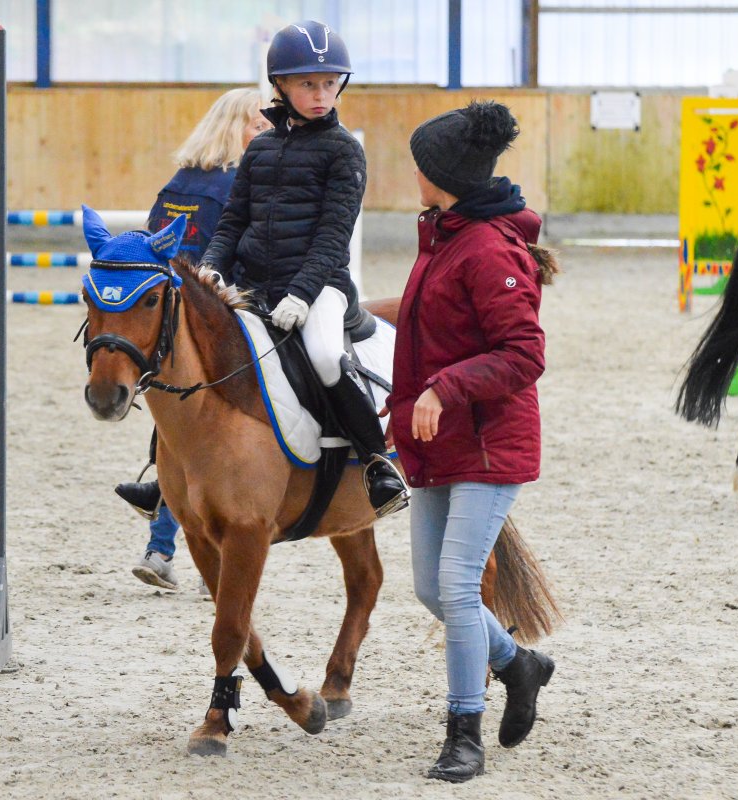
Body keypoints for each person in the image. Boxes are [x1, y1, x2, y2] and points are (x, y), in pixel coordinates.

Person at [116, 19, 410, 523]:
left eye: (329, 83)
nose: (321, 95)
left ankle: (377, 465)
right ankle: (163, 478)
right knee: (191, 352)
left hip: (320, 288)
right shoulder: (261, 147)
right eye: (308, 84)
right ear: (281, 85)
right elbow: (233, 221)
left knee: (324, 356)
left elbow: (333, 235)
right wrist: (211, 271)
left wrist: (302, 293)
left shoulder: (344, 150)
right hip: (254, 284)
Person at [386, 101, 556, 782]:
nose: (414, 175)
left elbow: (524, 352)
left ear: (445, 177)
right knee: (432, 589)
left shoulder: (486, 248)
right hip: (442, 442)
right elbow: (430, 318)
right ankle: (519, 665)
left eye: (421, 166)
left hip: (487, 443)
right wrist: (355, 312)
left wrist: (442, 389)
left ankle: (464, 733)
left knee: (457, 586)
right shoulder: (445, 236)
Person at [117, 88, 270, 592]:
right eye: (259, 125)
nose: (266, 133)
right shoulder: (236, 186)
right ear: (234, 128)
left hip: (168, 317)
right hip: (217, 316)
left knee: (181, 429)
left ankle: (159, 544)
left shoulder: (177, 184)